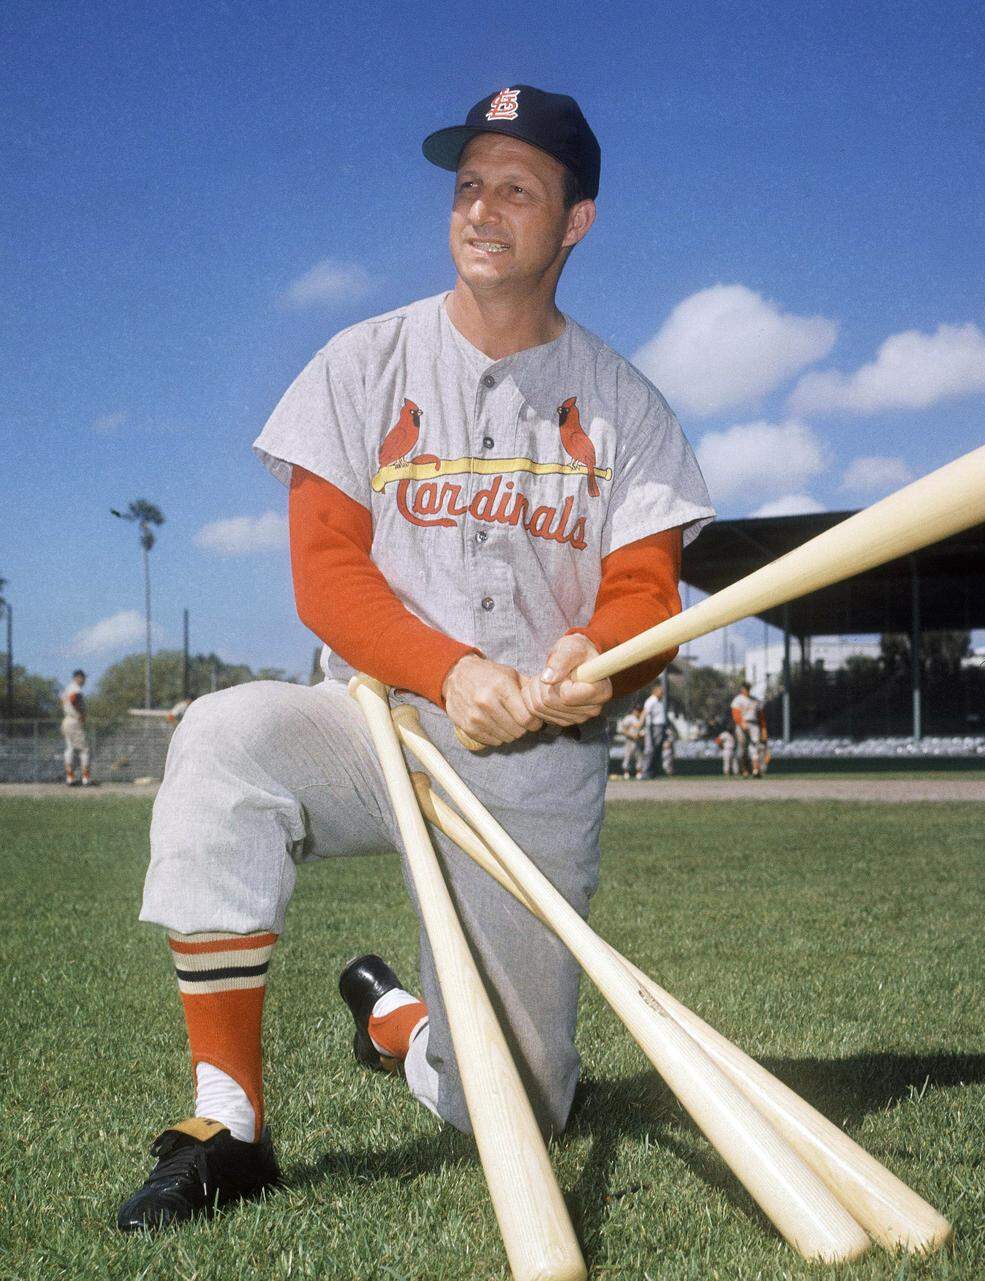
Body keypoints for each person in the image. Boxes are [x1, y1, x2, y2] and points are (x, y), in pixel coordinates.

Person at [116, 84, 714, 1231]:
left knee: (523, 1108)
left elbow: (645, 590)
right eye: (469, 186)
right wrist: (447, 671)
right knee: (223, 739)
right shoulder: (362, 361)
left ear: (574, 221)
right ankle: (226, 1122)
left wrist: (603, 656)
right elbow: (328, 572)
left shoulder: (629, 406)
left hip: (537, 753)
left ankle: (397, 1023)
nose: (483, 210)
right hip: (376, 721)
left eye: (518, 189)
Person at [60, 669, 92, 786]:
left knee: (70, 748)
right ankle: (85, 778)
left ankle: (70, 777)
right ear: (78, 678)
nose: (84, 680)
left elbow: (64, 701)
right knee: (84, 750)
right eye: (83, 678)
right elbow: (74, 699)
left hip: (67, 720)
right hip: (74, 720)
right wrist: (81, 713)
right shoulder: (75, 688)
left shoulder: (67, 688)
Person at [730, 681, 767, 777]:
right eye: (745, 688)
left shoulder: (755, 700)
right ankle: (744, 770)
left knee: (755, 745)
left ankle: (756, 769)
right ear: (742, 689)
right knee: (742, 748)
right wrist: (741, 723)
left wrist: (763, 729)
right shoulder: (738, 699)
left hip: (754, 724)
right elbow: (735, 714)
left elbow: (761, 716)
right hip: (742, 723)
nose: (746, 690)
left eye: (748, 688)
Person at [639, 682, 667, 778]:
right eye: (660, 691)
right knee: (650, 749)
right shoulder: (651, 700)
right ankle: (645, 772)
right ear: (655, 691)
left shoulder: (659, 701)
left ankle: (654, 772)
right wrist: (640, 725)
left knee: (657, 750)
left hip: (660, 727)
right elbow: (645, 712)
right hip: (653, 727)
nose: (662, 693)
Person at [616, 704, 644, 779]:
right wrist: (630, 735)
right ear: (634, 710)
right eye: (637, 710)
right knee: (628, 756)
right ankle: (626, 773)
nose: (638, 712)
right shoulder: (629, 718)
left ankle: (639, 773)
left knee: (639, 756)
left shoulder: (640, 718)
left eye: (639, 710)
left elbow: (641, 729)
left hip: (638, 740)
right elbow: (622, 729)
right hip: (630, 739)